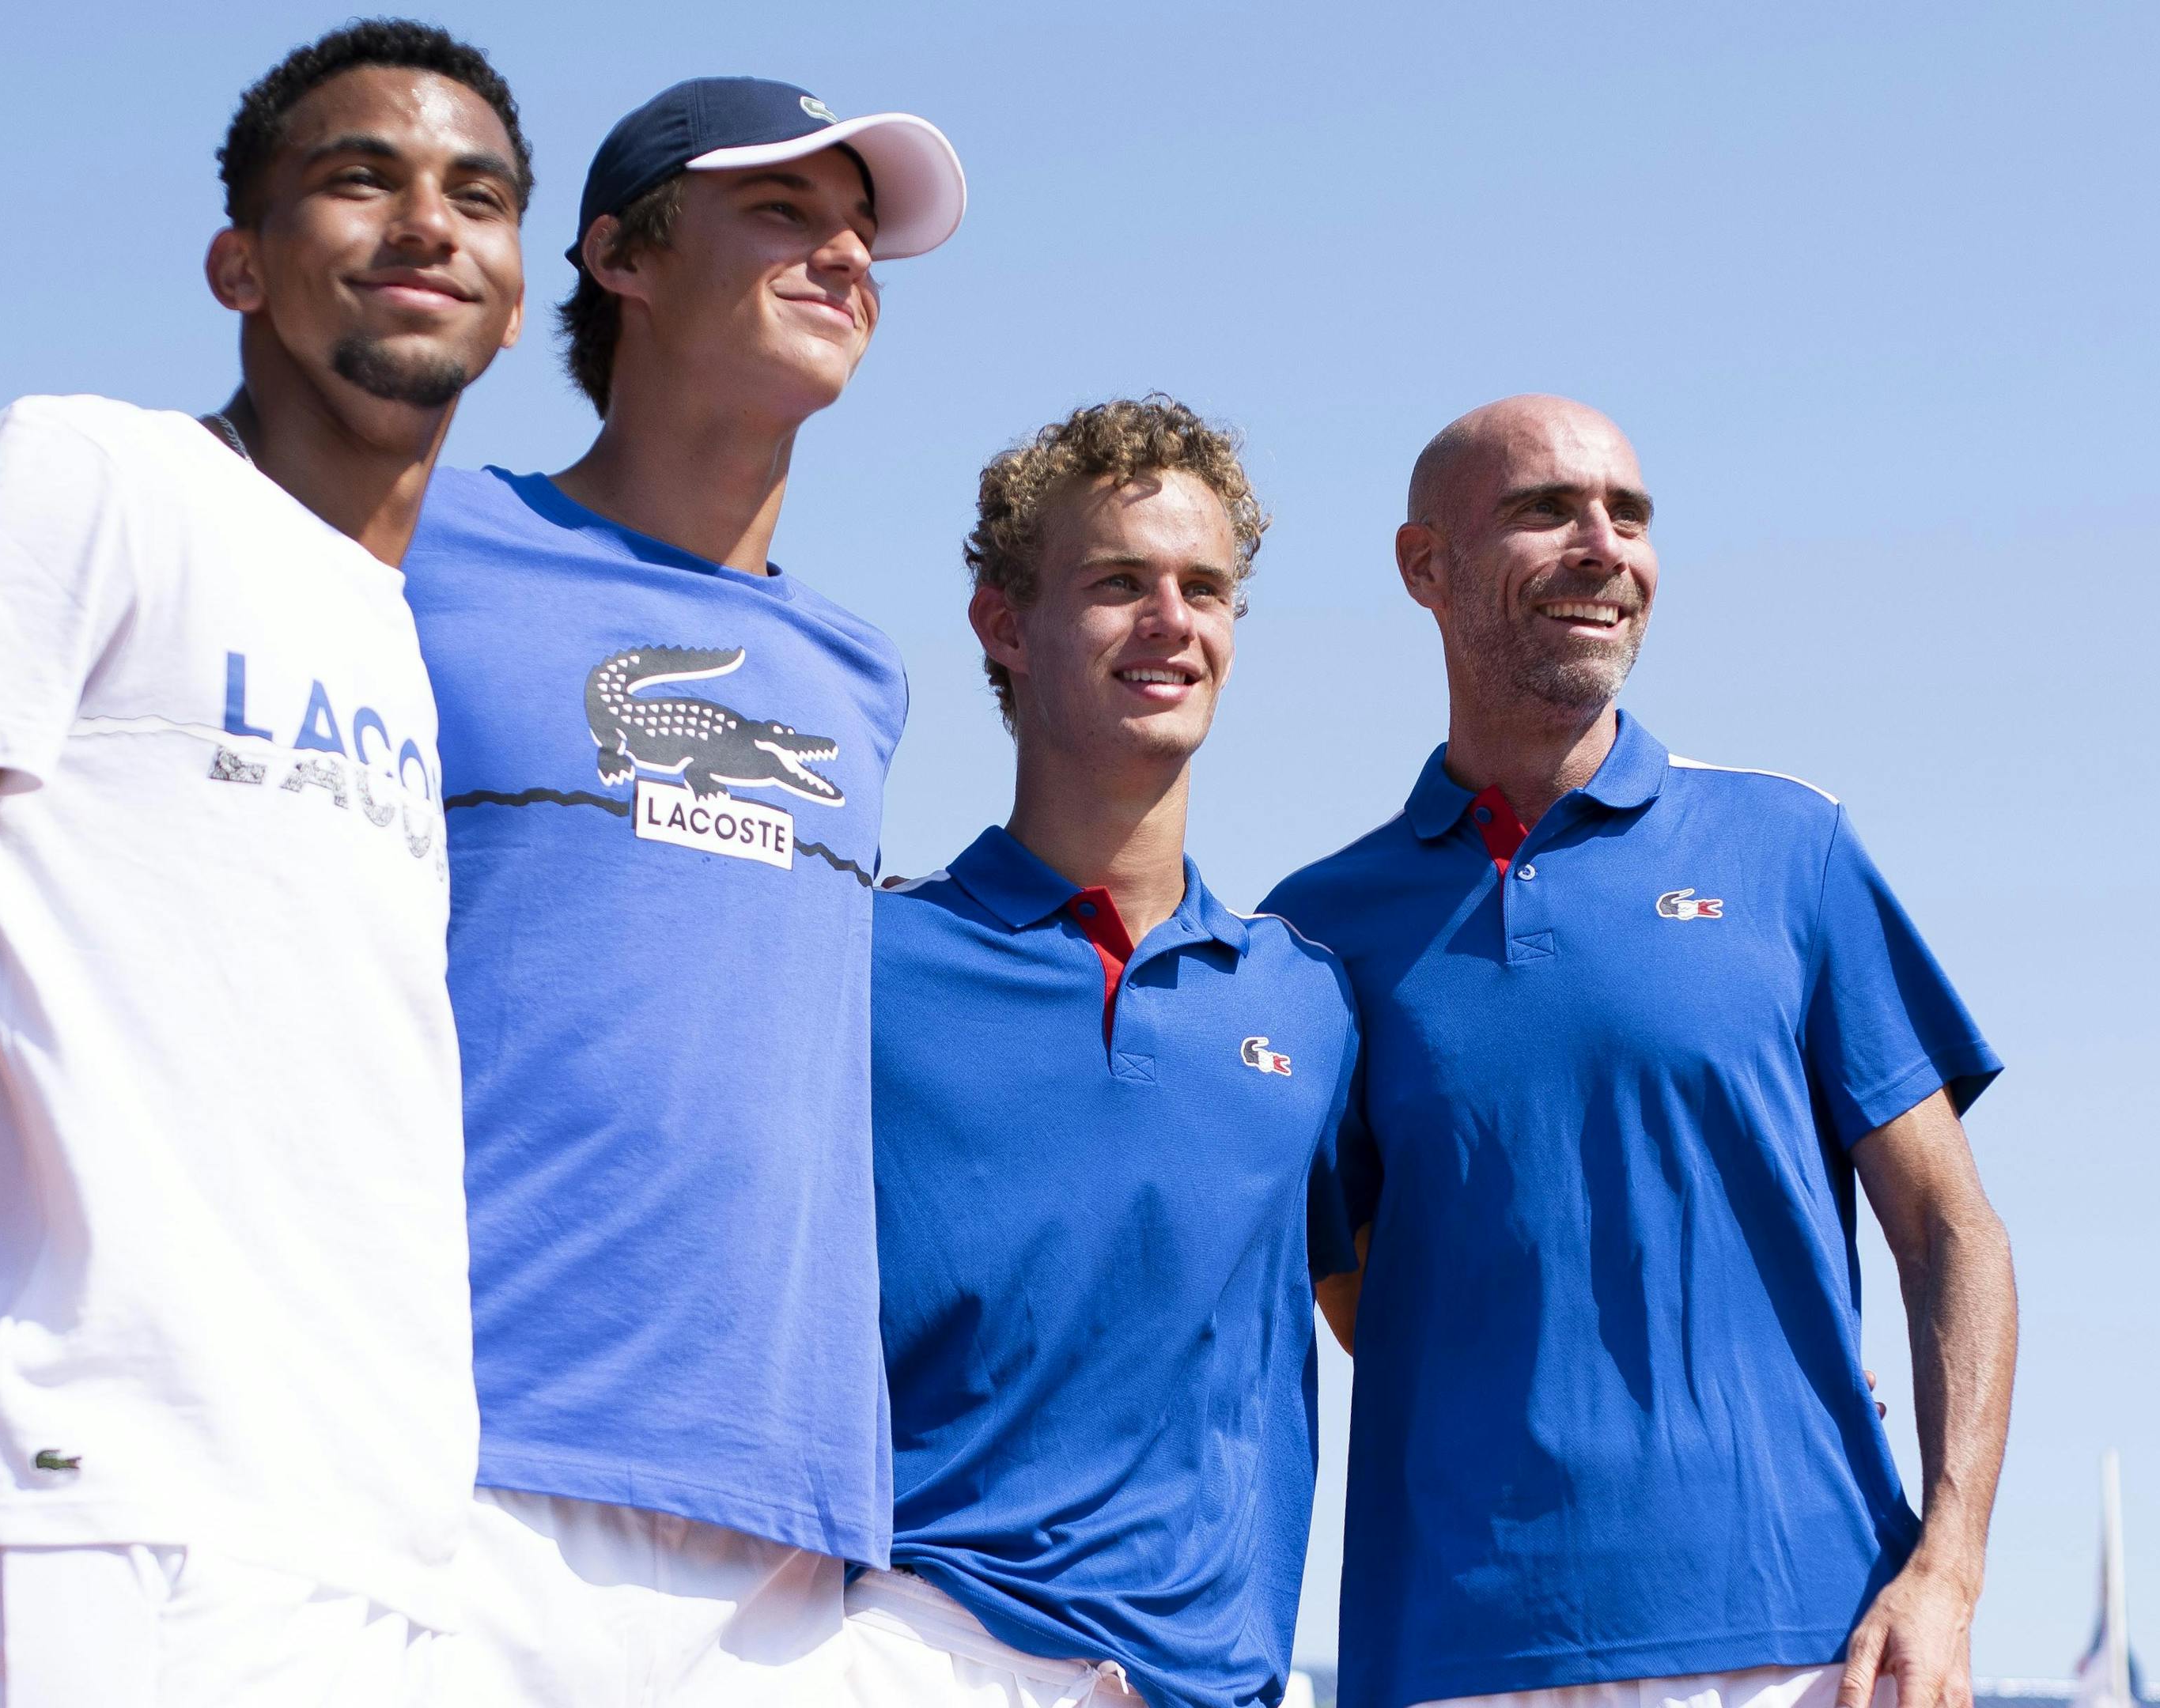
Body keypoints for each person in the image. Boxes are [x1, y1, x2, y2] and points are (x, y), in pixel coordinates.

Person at [0, 23, 531, 1705]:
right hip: (100, 1499)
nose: (427, 222)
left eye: (478, 195)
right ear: (241, 261)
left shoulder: (410, 639)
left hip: (373, 1546)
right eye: (358, 178)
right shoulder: (93, 474)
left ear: (518, 289)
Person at [1264, 397, 2018, 1708]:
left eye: (1632, 514)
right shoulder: (1316, 933)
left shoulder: (1791, 851)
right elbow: (1352, 1281)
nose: (1606, 545)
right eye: (1546, 510)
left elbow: (1953, 1231)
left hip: (1805, 1634)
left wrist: (1946, 1574)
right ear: (1424, 566)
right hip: (1451, 1649)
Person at [396, 78, 965, 1702]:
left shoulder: (863, 678)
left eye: (864, 234)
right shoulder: (417, 539)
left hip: (786, 1523)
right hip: (467, 1460)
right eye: (782, 212)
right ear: (618, 258)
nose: (845, 255)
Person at [845, 399, 1359, 1708]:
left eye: (1206, 588)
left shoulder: (1309, 1002)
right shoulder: (859, 961)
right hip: (913, 1643)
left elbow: (1408, 1328)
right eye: (1119, 583)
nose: (1172, 622)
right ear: (1004, 624)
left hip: (1219, 1679)